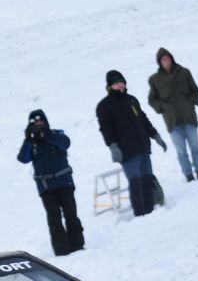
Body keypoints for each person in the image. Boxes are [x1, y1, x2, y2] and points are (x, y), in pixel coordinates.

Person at [96, 71, 167, 217]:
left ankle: (150, 211)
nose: (120, 85)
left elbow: (143, 119)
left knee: (147, 180)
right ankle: (140, 214)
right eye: (116, 83)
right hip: (127, 151)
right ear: (110, 86)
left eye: (122, 82)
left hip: (143, 147)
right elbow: (106, 130)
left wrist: (155, 135)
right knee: (135, 182)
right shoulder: (104, 106)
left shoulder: (132, 100)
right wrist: (113, 147)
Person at [17, 109, 85, 255]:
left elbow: (65, 143)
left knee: (71, 215)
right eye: (35, 122)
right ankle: (61, 249)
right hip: (46, 187)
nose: (38, 124)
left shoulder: (56, 135)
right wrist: (29, 139)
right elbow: (23, 159)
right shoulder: (32, 143)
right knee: (54, 219)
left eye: (40, 121)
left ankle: (78, 245)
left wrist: (47, 134)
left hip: (64, 182)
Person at [146, 49, 198, 182]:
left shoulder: (184, 72)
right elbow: (152, 99)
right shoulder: (155, 79)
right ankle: (188, 174)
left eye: (168, 58)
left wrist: (191, 102)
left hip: (189, 118)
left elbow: (195, 91)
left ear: (172, 58)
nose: (166, 61)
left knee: (195, 147)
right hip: (172, 121)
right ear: (159, 62)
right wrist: (162, 107)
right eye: (163, 59)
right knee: (181, 151)